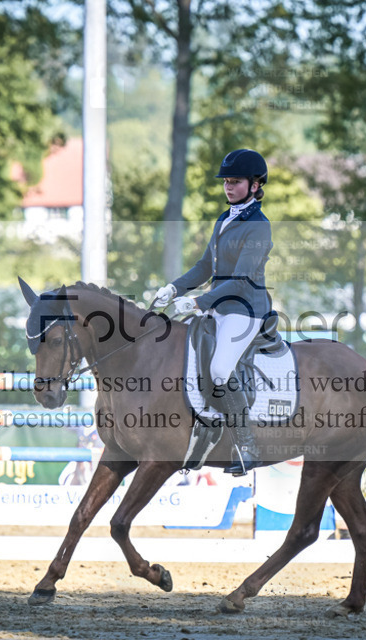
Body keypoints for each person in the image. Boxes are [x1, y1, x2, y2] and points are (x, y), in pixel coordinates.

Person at [151, 148, 273, 475]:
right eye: (226, 182)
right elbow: (205, 266)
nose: (228, 187)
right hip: (218, 307)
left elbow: (242, 278)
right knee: (186, 358)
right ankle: (206, 428)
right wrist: (174, 288)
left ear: (255, 184)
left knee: (219, 370)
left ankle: (247, 445)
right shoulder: (224, 219)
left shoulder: (259, 226)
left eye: (235, 182)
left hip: (245, 310)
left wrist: (198, 302)